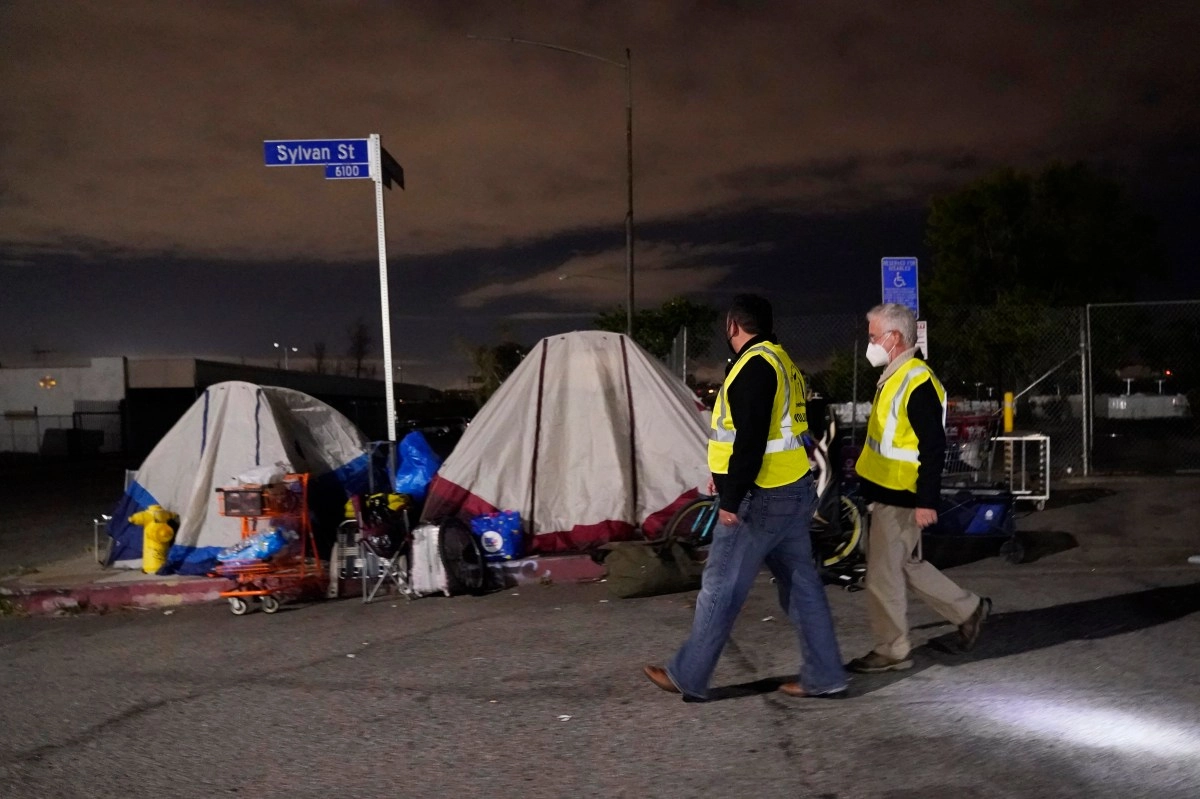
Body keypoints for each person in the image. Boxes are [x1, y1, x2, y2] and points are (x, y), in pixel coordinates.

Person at [643, 294, 847, 700]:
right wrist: (727, 475)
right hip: (793, 491)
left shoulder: (753, 368)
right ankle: (825, 674)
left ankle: (689, 675)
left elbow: (751, 440)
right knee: (802, 586)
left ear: (734, 326)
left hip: (761, 497)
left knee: (721, 586)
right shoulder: (782, 363)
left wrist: (733, 498)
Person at [848, 303, 990, 674]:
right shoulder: (899, 376)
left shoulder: (915, 380)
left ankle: (892, 650)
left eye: (874, 336)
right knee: (906, 565)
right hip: (891, 493)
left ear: (894, 339)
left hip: (901, 498)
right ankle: (969, 610)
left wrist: (926, 500)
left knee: (883, 576)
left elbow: (933, 445)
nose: (871, 343)